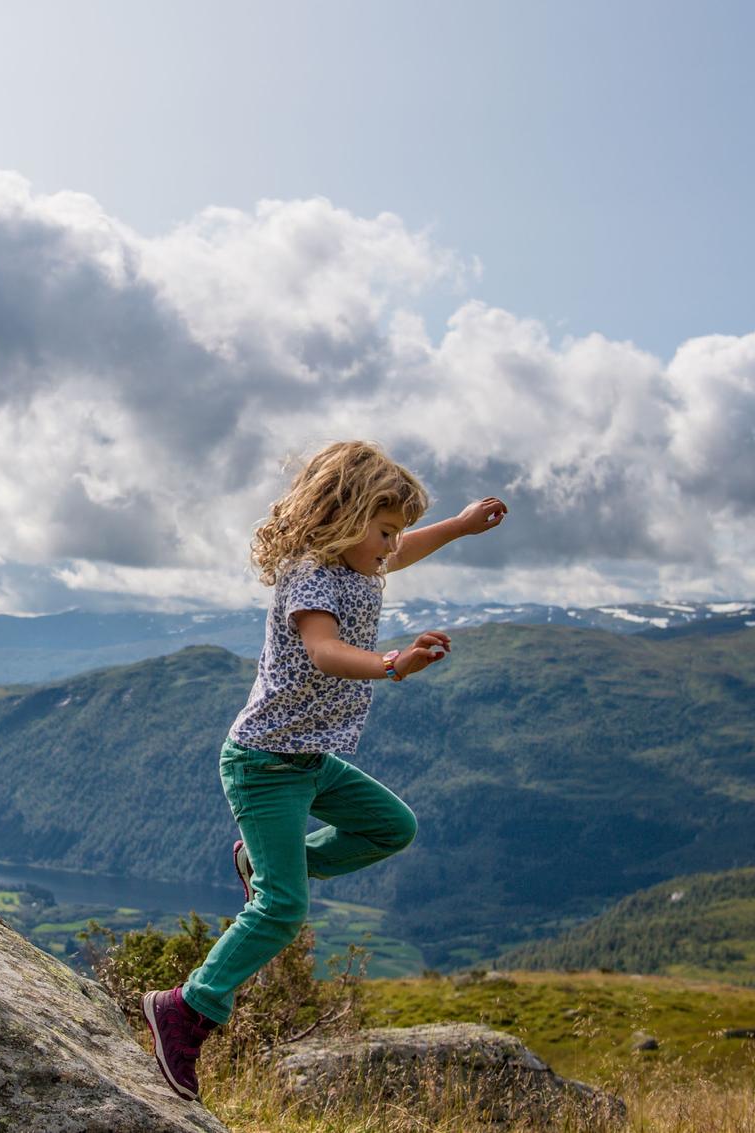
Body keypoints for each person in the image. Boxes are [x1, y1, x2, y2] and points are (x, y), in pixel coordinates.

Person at [141, 440, 507, 1101]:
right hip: (264, 764)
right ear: (345, 515)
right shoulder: (311, 580)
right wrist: (394, 663)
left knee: (391, 827)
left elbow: (403, 550)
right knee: (283, 910)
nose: (393, 545)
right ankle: (187, 1007)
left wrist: (455, 525)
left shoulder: (358, 563)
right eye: (386, 529)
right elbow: (327, 651)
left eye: (397, 531)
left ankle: (262, 863)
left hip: (308, 760)